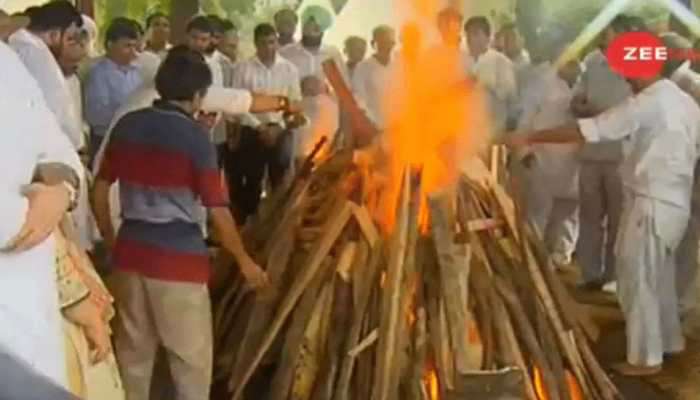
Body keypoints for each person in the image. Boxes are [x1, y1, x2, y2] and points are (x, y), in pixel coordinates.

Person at [504, 32, 700, 377]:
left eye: (627, 72)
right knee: (660, 278)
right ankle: (669, 342)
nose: (624, 79)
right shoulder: (683, 101)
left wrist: (530, 137)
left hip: (650, 202)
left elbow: (590, 129)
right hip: (676, 202)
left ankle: (645, 358)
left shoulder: (648, 102)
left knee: (635, 278)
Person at [92, 47, 269, 400]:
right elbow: (217, 210)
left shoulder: (128, 125)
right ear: (200, 96)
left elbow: (100, 186)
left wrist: (112, 240)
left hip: (130, 255)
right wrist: (244, 260)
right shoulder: (195, 138)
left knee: (133, 355)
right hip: (178, 265)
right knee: (189, 362)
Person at [0, 22, 83, 389]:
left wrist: (61, 188)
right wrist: (34, 213)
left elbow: (58, 147)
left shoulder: (7, 62)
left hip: (33, 316)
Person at [571, 15, 637, 291]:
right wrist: (586, 108)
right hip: (591, 152)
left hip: (621, 155)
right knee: (590, 217)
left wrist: (604, 115)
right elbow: (577, 101)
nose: (605, 36)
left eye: (609, 31)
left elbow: (633, 110)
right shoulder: (592, 62)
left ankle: (614, 276)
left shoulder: (635, 64)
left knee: (619, 219)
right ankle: (590, 274)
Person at [514, 40, 582, 266]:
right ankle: (532, 260)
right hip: (543, 158)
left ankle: (561, 257)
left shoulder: (585, 83)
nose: (571, 64)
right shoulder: (540, 84)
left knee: (569, 214)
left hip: (575, 161)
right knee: (537, 214)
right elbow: (525, 119)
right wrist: (525, 152)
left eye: (574, 59)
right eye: (566, 59)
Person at [230, 23, 303, 223]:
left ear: (277, 42)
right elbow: (239, 104)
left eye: (272, 42)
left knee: (280, 183)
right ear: (255, 44)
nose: (269, 47)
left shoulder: (289, 70)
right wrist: (260, 127)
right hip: (253, 131)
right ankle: (248, 229)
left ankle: (278, 227)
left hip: (281, 131)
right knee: (251, 182)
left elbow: (294, 103)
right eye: (263, 43)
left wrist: (278, 128)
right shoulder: (243, 68)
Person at [9, 1, 84, 149]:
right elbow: (61, 118)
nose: (74, 44)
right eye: (70, 38)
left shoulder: (14, 44)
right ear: (54, 35)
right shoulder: (35, 52)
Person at [84, 18, 142, 162]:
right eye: (127, 46)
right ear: (110, 45)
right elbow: (95, 114)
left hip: (136, 140)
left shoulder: (137, 72)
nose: (133, 52)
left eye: (135, 47)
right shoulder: (99, 74)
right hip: (107, 140)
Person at [464, 16, 517, 136]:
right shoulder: (462, 60)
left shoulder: (501, 61)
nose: (470, 39)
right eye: (468, 34)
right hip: (467, 130)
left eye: (476, 34)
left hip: (493, 130)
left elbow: (509, 95)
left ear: (487, 37)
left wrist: (483, 83)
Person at [279, 5, 344, 81]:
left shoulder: (332, 53)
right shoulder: (285, 53)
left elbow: (342, 86)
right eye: (308, 26)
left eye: (316, 28)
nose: (310, 31)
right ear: (303, 27)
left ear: (323, 31)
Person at [352, 25, 396, 132]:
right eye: (383, 42)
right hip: (375, 128)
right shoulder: (363, 67)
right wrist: (372, 123)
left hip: (400, 127)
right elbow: (359, 99)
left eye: (390, 42)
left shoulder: (400, 63)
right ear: (373, 44)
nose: (387, 46)